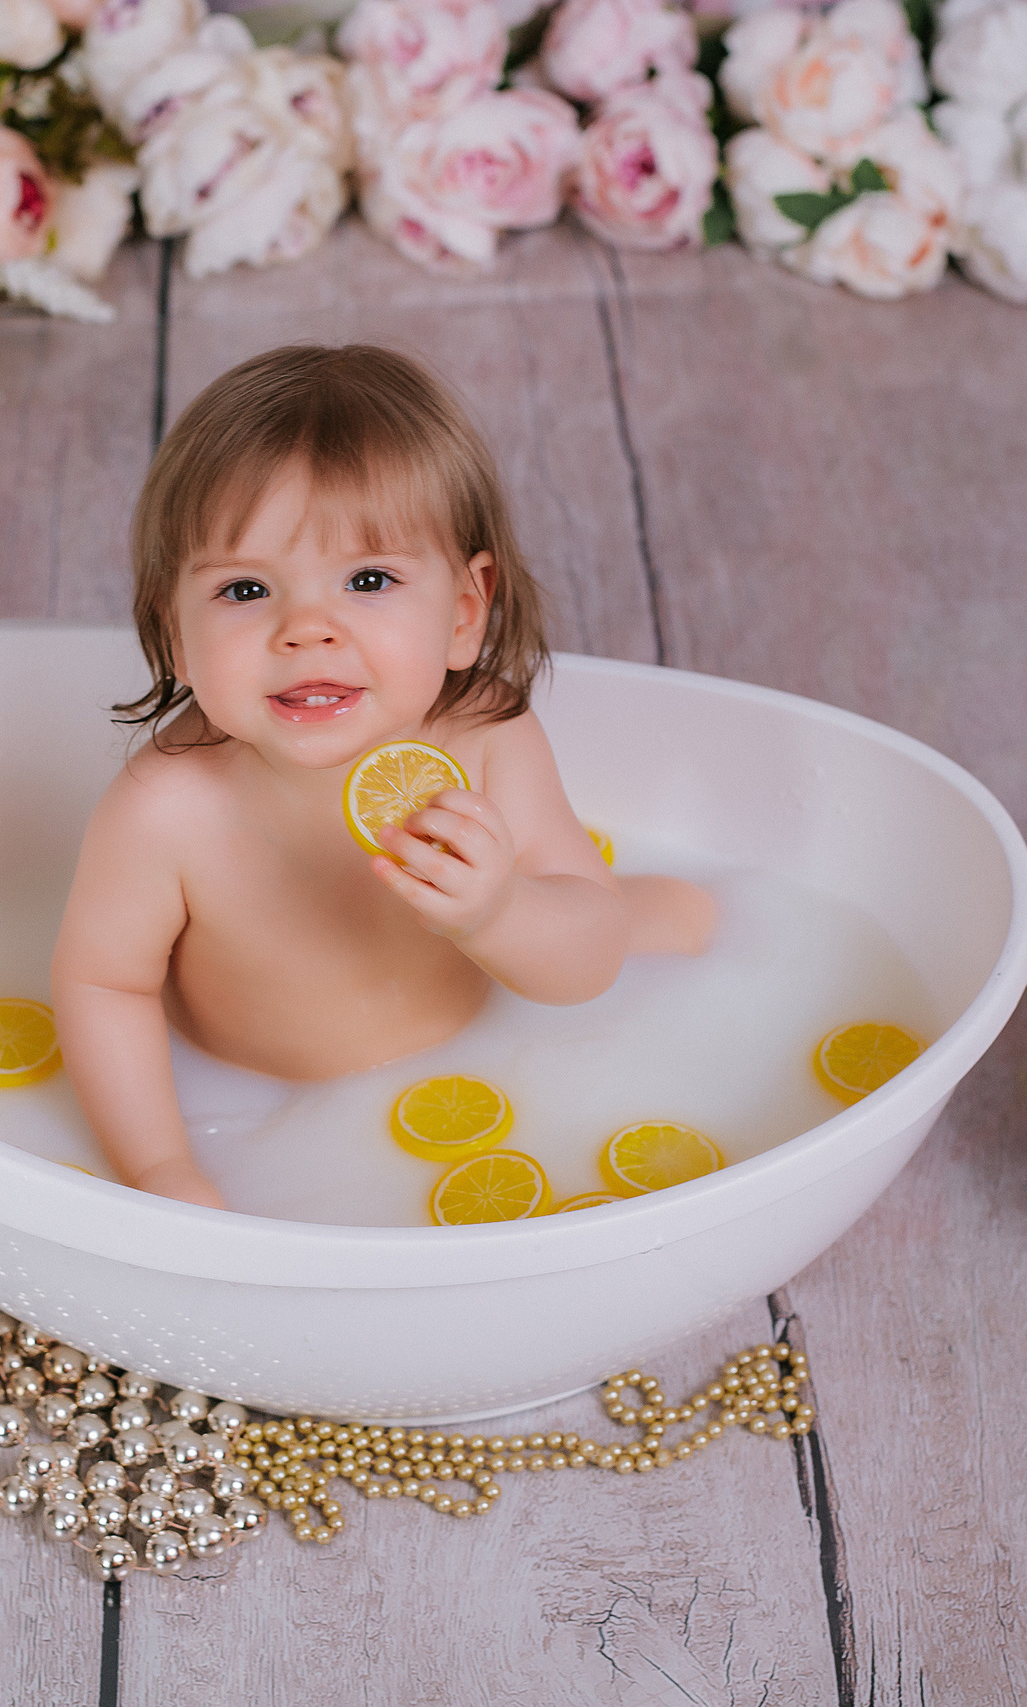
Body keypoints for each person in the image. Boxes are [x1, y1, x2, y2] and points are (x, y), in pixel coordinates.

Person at [50, 345, 715, 1208]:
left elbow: (585, 969)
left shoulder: (484, 740)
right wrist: (159, 1168)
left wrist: (503, 910)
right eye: (246, 590)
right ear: (175, 633)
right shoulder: (168, 806)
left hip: (475, 1054)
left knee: (639, 921)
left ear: (464, 614)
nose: (306, 630)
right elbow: (104, 982)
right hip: (251, 1098)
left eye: (368, 579)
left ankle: (693, 912)